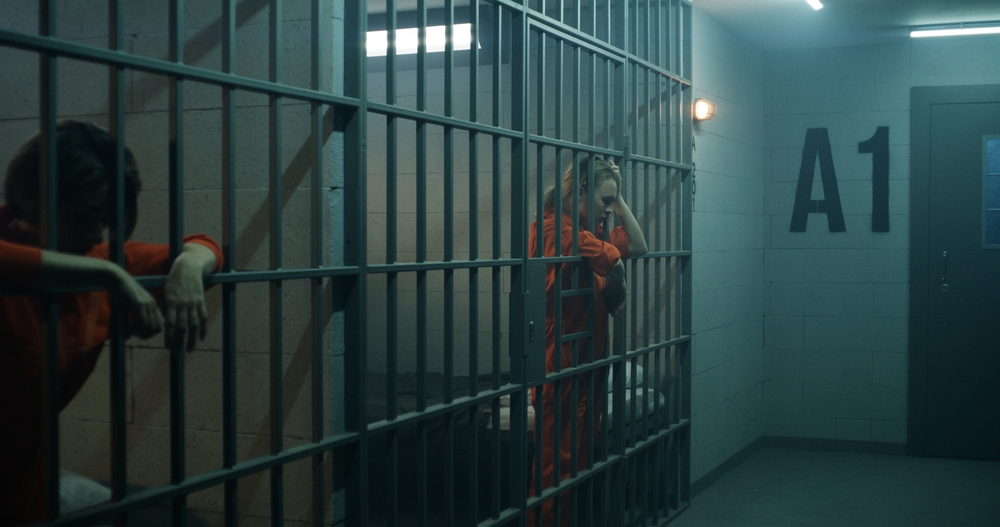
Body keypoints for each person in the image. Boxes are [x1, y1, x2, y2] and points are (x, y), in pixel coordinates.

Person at [0, 120, 223, 525]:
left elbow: (202, 247)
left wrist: (189, 268)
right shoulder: (99, 269)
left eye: (104, 219)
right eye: (86, 215)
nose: (96, 233)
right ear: (37, 196)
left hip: (23, 484)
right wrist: (107, 275)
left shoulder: (94, 260)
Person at [527, 156, 647, 526]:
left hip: (586, 362)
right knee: (555, 470)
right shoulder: (553, 228)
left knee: (574, 465)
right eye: (605, 201)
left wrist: (619, 196)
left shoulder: (587, 231)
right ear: (581, 191)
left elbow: (638, 246)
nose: (609, 210)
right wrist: (617, 276)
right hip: (562, 361)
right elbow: (613, 259)